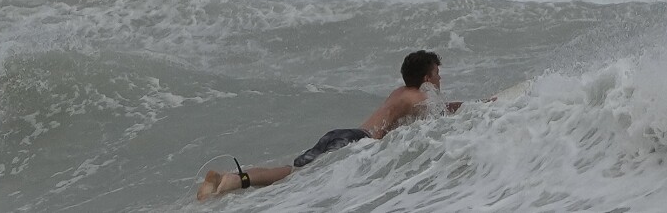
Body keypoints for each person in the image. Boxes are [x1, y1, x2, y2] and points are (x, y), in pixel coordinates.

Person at [196, 50, 468, 201]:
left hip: (342, 135)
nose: (440, 78)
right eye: (437, 73)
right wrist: (478, 107)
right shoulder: (420, 96)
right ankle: (231, 181)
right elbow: (439, 118)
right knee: (293, 178)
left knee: (293, 173)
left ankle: (232, 178)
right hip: (354, 142)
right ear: (426, 78)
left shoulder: (400, 93)